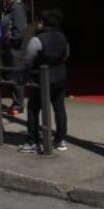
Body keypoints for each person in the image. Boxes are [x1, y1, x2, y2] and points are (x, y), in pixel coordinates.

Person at [19, 10, 70, 153]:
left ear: (41, 22)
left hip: (41, 79)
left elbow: (28, 59)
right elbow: (66, 54)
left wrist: (24, 74)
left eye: (36, 21)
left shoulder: (37, 40)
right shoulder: (62, 36)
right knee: (59, 108)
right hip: (60, 76)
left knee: (33, 108)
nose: (35, 24)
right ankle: (60, 140)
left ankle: (33, 141)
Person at [0, 0, 28, 117]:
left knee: (16, 77)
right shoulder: (9, 8)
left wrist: (12, 41)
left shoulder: (17, 9)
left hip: (16, 49)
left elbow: (20, 30)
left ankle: (19, 104)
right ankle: (15, 102)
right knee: (11, 76)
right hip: (9, 47)